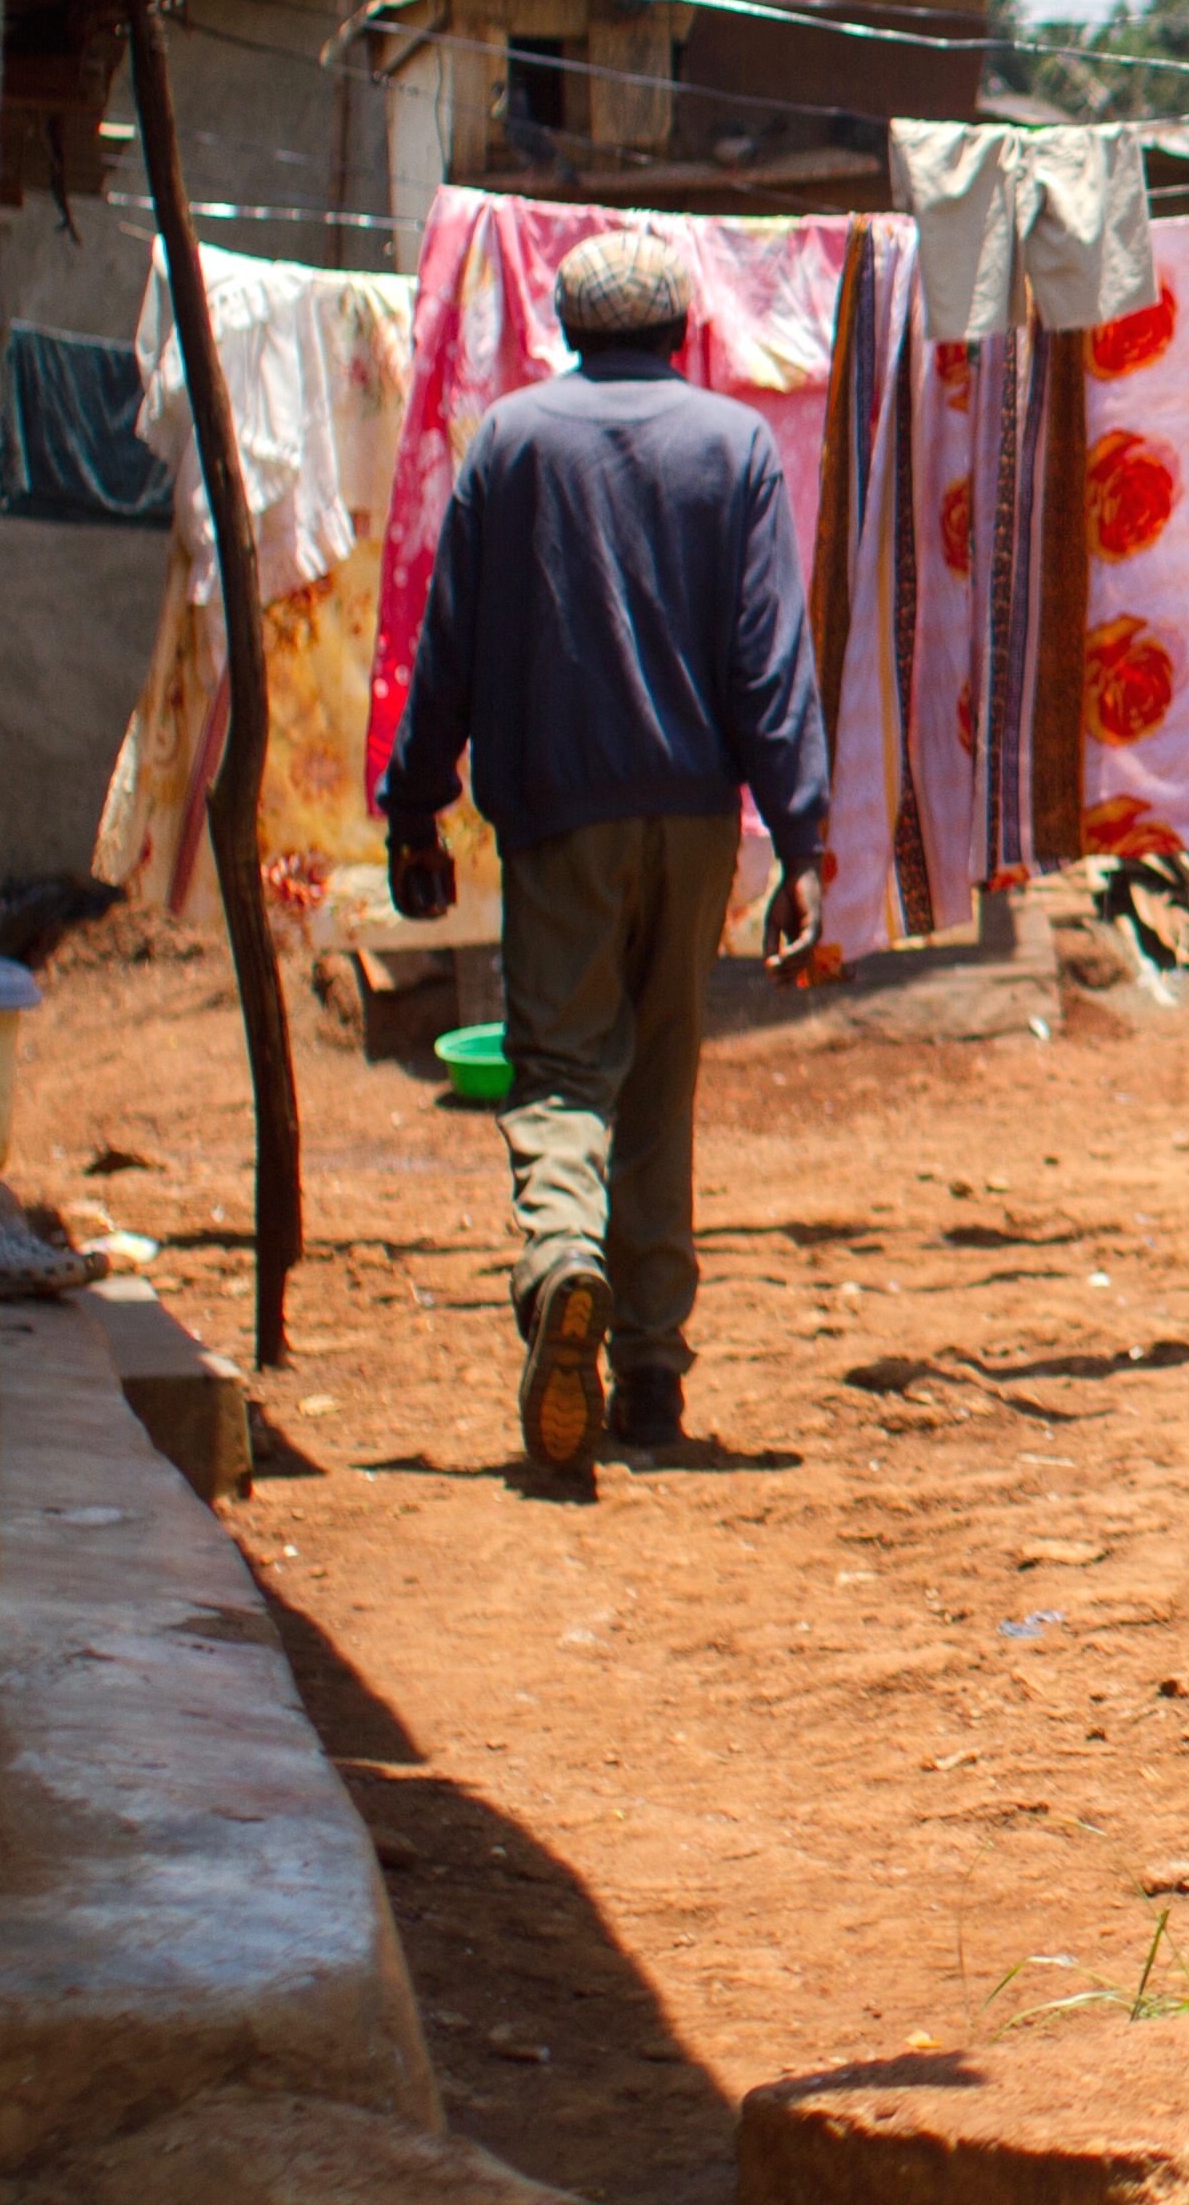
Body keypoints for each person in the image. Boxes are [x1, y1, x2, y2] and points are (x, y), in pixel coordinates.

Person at [379, 229, 826, 1473]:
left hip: (558, 814)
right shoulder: (733, 447)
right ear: (681, 330)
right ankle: (652, 1376)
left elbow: (449, 648)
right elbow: (767, 658)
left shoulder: (511, 444)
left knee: (563, 1069)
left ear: (569, 330)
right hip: (691, 819)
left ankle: (563, 1261)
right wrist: (801, 840)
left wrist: (414, 806)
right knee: (662, 1081)